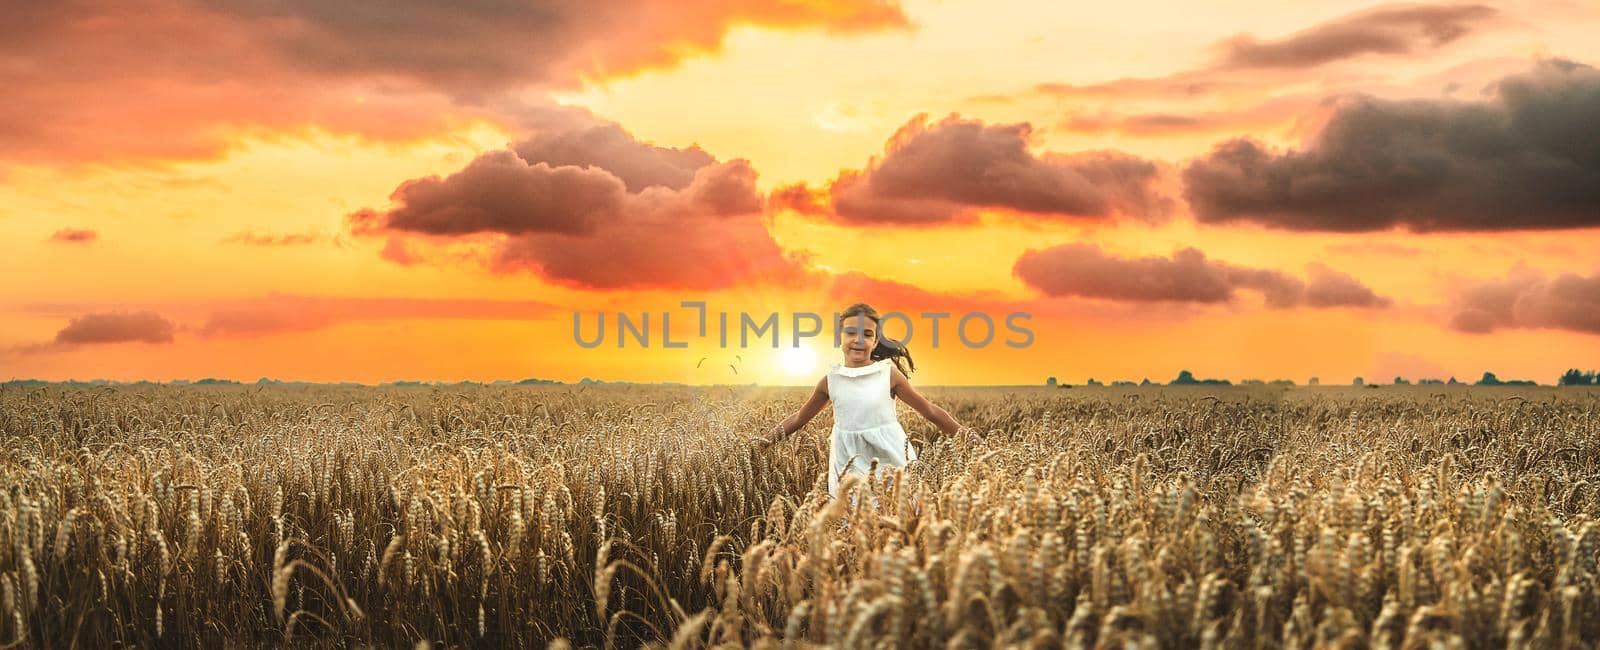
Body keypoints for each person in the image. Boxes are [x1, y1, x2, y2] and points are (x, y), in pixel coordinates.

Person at [758, 303, 982, 498]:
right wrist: (761, 443)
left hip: (889, 458)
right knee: (853, 524)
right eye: (851, 333)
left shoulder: (889, 374)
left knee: (895, 515)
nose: (858, 340)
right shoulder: (830, 381)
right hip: (848, 464)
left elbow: (929, 410)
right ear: (839, 337)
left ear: (875, 342)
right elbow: (799, 418)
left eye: (867, 334)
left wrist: (964, 434)